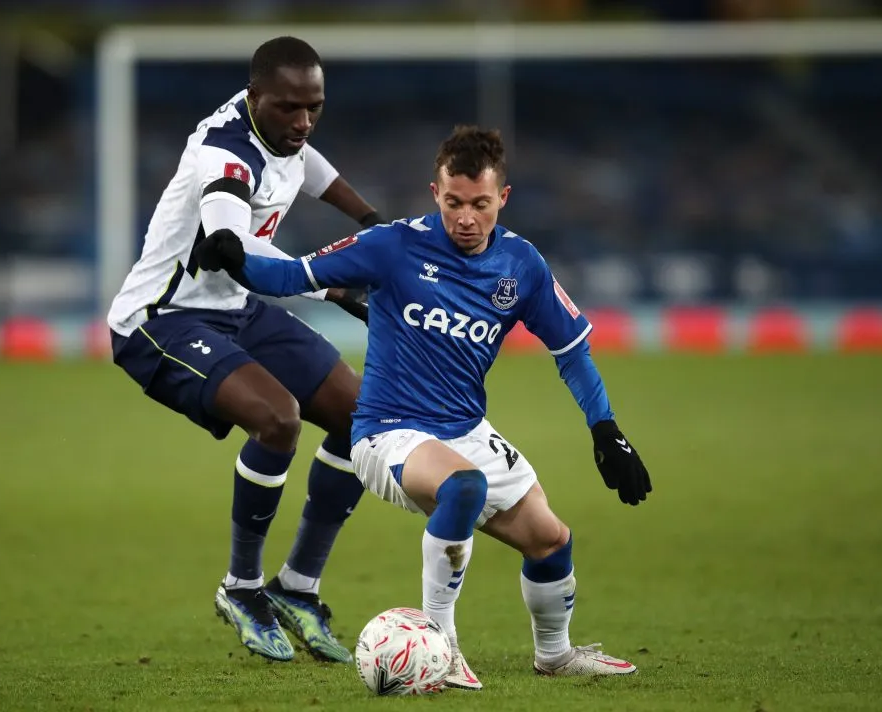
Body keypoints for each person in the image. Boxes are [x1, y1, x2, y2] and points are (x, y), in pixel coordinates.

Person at [192, 125, 653, 688]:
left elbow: (572, 352)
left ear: (501, 200)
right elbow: (294, 275)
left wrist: (606, 429)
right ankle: (440, 646)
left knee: (551, 540)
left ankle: (554, 655)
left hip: (464, 430)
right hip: (387, 431)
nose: (465, 217)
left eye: (480, 204)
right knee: (463, 487)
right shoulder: (393, 245)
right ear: (435, 193)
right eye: (454, 202)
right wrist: (235, 256)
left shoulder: (521, 266)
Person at [106, 36, 384, 664]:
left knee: (361, 415)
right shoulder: (222, 154)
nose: (303, 122)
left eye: (314, 107)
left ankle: (298, 588)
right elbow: (233, 240)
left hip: (236, 306)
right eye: (290, 108)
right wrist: (331, 283)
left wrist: (369, 219)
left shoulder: (277, 125)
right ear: (255, 98)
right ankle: (242, 588)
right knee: (277, 417)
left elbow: (306, 163)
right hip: (162, 319)